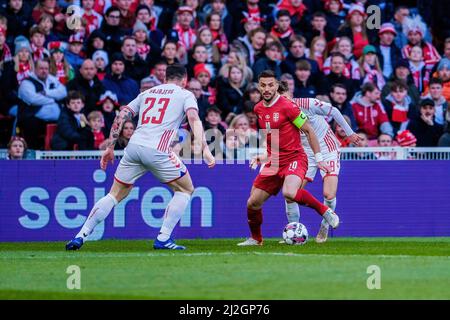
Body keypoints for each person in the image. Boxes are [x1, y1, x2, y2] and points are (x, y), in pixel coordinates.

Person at [66, 64, 216, 251]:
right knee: (185, 189)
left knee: (114, 194)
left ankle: (80, 235)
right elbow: (193, 118)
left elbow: (121, 115)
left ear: (164, 79)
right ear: (184, 80)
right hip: (158, 150)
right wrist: (205, 149)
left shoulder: (147, 93)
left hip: (134, 147)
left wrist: (110, 147)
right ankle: (163, 238)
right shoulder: (185, 94)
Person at [237, 70, 340, 246]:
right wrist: (264, 156)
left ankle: (325, 211)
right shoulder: (258, 109)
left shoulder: (288, 106)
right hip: (275, 161)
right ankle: (256, 238)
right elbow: (272, 138)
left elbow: (308, 130)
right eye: (263, 85)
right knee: (252, 203)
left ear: (277, 86)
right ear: (259, 87)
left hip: (295, 157)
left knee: (289, 192)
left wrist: (319, 157)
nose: (267, 89)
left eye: (271, 85)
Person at [279, 81, 361, 243]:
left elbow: (335, 111)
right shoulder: (278, 115)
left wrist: (350, 133)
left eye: (285, 97)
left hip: (327, 149)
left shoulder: (306, 103)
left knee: (328, 194)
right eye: (280, 99)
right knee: (291, 194)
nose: (284, 101)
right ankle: (293, 231)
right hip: (305, 154)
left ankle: (324, 226)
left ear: (291, 95)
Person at [17, 58, 67, 149]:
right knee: (30, 124)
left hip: (56, 120)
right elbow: (33, 99)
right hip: (34, 120)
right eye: (41, 68)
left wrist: (47, 93)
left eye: (46, 68)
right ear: (35, 69)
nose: (44, 71)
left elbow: (63, 92)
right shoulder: (26, 82)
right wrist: (54, 99)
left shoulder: (52, 79)